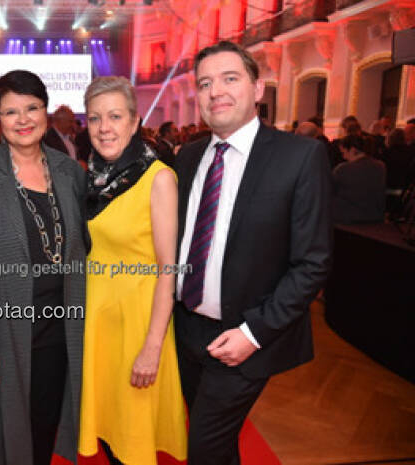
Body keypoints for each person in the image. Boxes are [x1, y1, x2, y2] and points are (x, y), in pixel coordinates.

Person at [173, 41, 331, 464]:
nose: (215, 91)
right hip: (185, 330)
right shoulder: (187, 158)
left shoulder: (300, 156)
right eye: (205, 83)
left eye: (229, 78)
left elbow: (312, 263)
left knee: (203, 448)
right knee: (215, 443)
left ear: (257, 88)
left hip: (245, 336)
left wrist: (253, 333)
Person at [0, 70, 88, 465]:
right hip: (3, 329)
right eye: (11, 112)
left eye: (31, 108)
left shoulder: (69, 172)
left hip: (60, 328)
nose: (23, 119)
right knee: (3, 435)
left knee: (44, 424)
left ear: (45, 111)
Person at [76, 77, 186, 465]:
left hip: (136, 326)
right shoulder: (90, 178)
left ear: (135, 121)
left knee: (131, 442)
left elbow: (167, 269)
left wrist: (152, 347)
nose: (104, 127)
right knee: (108, 435)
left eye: (115, 116)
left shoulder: (158, 180)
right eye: (94, 118)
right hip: (98, 324)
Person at [332, 134, 386, 224]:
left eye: (343, 153)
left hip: (347, 218)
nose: (343, 157)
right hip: (375, 217)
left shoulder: (343, 169)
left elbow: (329, 190)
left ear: (353, 150)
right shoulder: (381, 166)